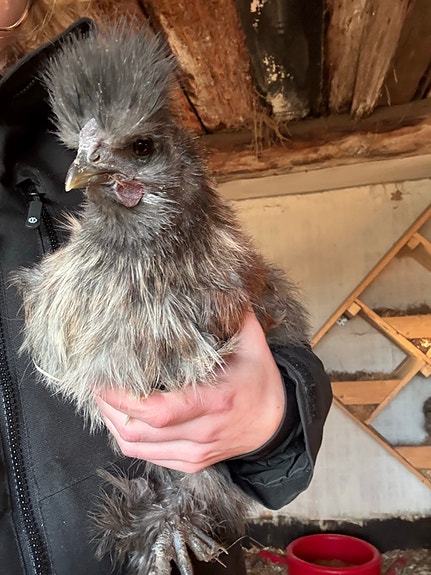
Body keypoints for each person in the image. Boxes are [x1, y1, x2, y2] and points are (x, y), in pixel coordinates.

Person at [0, 1, 332, 574]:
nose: (88, 165)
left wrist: (275, 420)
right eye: (87, 153)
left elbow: (280, 365)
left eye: (138, 149)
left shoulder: (208, 257)